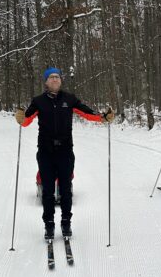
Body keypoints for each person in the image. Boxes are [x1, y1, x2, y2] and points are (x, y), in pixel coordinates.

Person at [15, 67, 114, 239]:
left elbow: (88, 113)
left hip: (65, 151)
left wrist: (103, 117)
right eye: (51, 77)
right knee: (47, 191)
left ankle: (66, 223)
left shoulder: (70, 99)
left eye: (57, 77)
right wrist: (21, 117)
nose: (55, 79)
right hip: (45, 152)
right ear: (46, 82)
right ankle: (49, 225)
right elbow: (26, 121)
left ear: (61, 80)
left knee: (66, 189)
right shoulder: (38, 101)